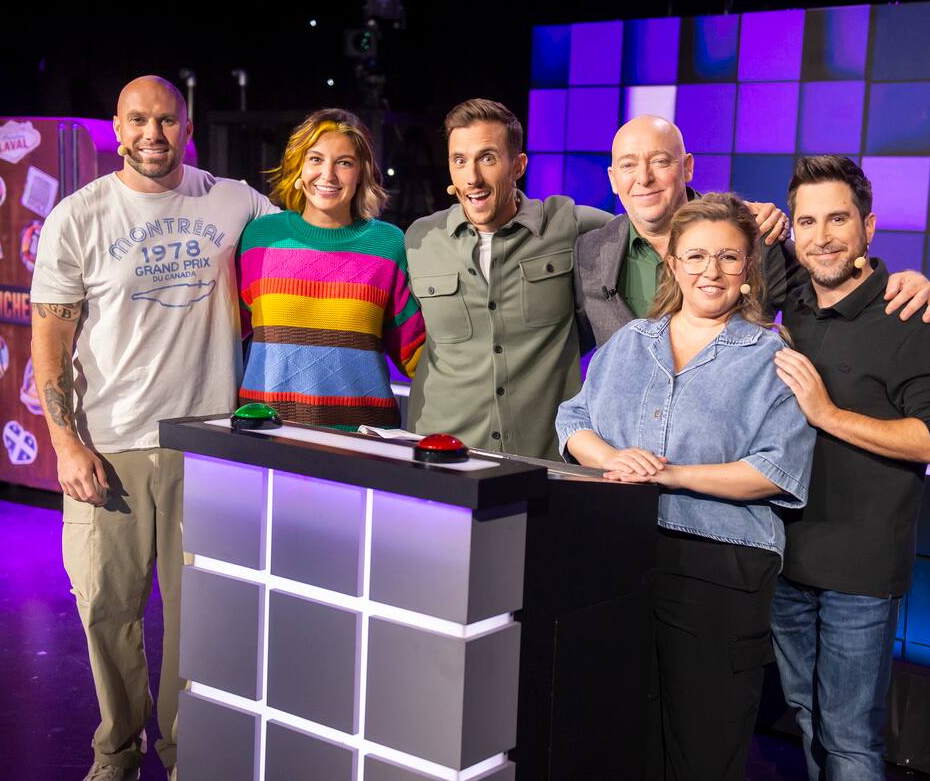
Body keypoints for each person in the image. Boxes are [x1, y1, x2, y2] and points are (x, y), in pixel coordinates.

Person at [30, 75, 277, 781]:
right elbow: (50, 339)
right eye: (138, 120)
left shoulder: (235, 200)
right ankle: (116, 752)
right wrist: (66, 442)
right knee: (106, 609)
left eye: (166, 120)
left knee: (200, 617)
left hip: (207, 447)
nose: (152, 134)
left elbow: (302, 246)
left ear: (187, 126)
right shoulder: (79, 216)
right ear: (116, 127)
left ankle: (185, 753)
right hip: (110, 447)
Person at [556, 193, 816, 780]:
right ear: (673, 264)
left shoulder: (772, 355)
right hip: (619, 558)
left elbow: (776, 470)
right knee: (620, 743)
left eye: (728, 257)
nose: (710, 271)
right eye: (695, 256)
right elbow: (573, 420)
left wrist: (667, 474)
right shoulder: (631, 341)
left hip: (719, 567)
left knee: (703, 746)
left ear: (749, 269)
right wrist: (614, 459)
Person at [770, 155, 930, 781]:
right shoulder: (794, 304)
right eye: (807, 222)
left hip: (860, 572)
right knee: (807, 717)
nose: (822, 236)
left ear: (868, 227)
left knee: (850, 737)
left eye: (838, 219)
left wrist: (827, 414)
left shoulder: (910, 317)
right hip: (786, 557)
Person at [574, 115, 930, 350]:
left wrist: (898, 284)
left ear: (687, 167)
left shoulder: (754, 233)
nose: (643, 178)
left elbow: (832, 285)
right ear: (613, 179)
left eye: (659, 161)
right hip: (624, 449)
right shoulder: (590, 252)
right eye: (628, 166)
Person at [404, 98, 612, 459]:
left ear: (518, 165)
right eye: (459, 161)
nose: (472, 178)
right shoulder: (419, 239)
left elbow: (651, 232)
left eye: (487, 158)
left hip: (543, 457)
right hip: (442, 454)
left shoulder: (568, 224)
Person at [237, 108, 424, 428]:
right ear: (298, 165)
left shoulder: (387, 244)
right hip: (267, 433)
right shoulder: (260, 238)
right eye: (316, 159)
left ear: (361, 172)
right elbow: (223, 337)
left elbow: (415, 353)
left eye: (344, 163)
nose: (328, 175)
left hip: (362, 437)